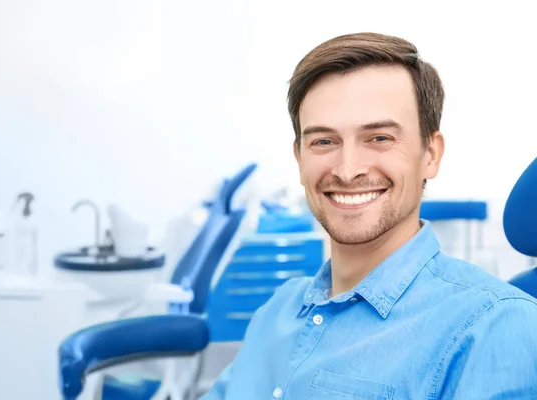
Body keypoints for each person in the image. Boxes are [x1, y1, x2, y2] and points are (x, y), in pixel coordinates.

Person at [200, 32, 537, 399]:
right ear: (300, 159)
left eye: (379, 138)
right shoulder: (277, 309)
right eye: (324, 141)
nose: (347, 170)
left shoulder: (497, 325)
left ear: (431, 154)